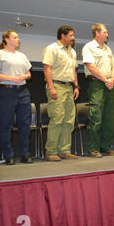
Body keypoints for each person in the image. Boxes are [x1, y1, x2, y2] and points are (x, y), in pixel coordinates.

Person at [0, 30, 33, 164]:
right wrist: (12, 78)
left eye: (18, 37)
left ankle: (25, 154)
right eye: (15, 37)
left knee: (25, 124)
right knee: (6, 125)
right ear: (6, 40)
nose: (18, 39)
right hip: (7, 92)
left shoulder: (22, 55)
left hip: (23, 92)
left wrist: (24, 76)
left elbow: (29, 74)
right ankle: (8, 155)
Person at [42, 25, 80, 161]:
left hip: (69, 87)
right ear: (62, 36)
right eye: (71, 35)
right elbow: (47, 68)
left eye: (73, 35)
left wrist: (76, 86)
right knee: (57, 118)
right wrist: (51, 88)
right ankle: (51, 151)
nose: (73, 38)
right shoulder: (52, 48)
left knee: (69, 120)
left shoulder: (73, 52)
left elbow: (74, 70)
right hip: (56, 85)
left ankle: (65, 150)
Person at [82, 24, 114, 158]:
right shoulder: (89, 47)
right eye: (105, 32)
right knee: (96, 117)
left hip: (109, 84)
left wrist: (113, 79)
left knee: (109, 117)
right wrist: (106, 80)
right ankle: (93, 149)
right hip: (97, 84)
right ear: (97, 33)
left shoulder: (108, 49)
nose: (107, 35)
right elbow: (91, 67)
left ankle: (106, 147)